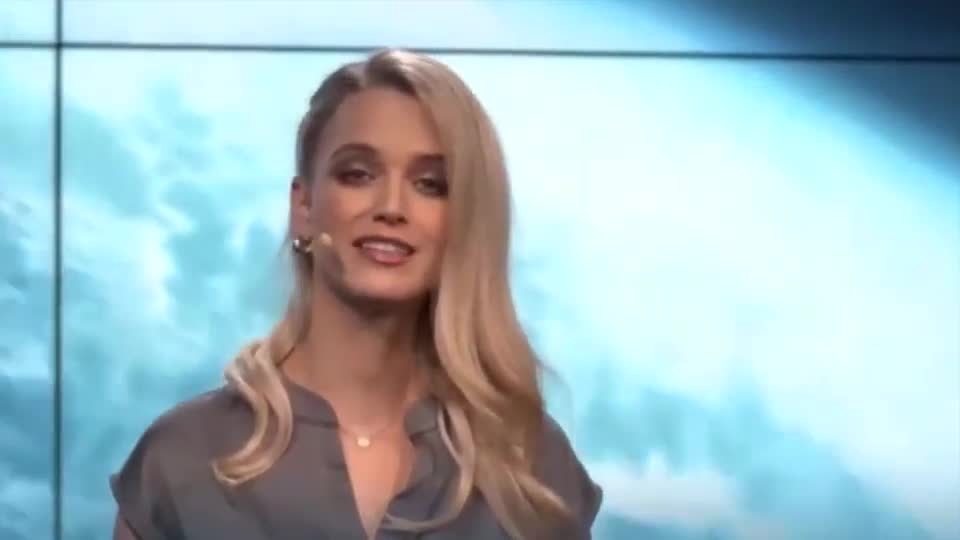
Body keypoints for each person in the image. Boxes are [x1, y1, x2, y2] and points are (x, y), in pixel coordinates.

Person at [110, 48, 602, 540]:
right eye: (358, 174)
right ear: (304, 207)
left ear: (465, 221)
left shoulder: (530, 468)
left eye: (431, 184)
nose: (391, 206)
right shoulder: (183, 458)